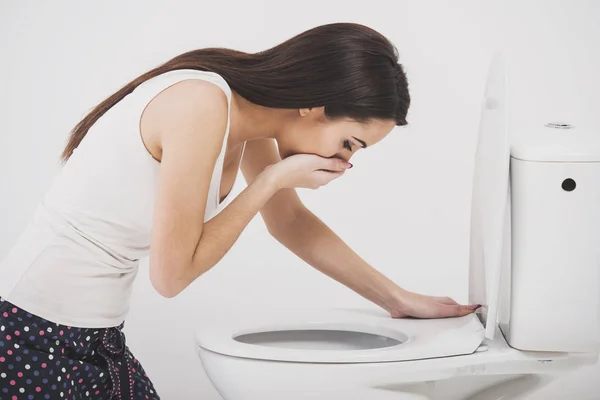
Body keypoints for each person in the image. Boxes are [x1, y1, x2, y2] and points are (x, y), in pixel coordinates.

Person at [0, 22, 480, 399]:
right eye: (348, 143)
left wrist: (395, 298)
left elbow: (290, 223)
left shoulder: (246, 121)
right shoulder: (201, 104)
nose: (343, 161)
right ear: (313, 106)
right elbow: (172, 277)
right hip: (30, 330)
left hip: (93, 335)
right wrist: (271, 180)